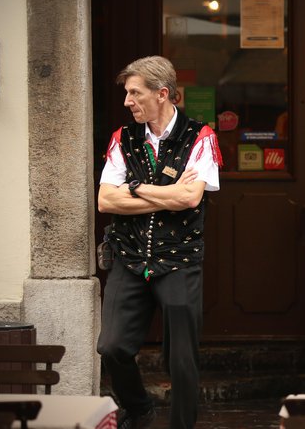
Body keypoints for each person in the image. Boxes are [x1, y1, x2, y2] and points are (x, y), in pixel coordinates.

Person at [97, 55, 222, 428]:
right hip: (130, 258)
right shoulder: (123, 138)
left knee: (182, 359)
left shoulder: (201, 136)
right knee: (112, 347)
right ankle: (138, 408)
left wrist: (135, 189)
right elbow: (106, 200)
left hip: (180, 260)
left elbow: (190, 199)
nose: (127, 101)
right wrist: (165, 192)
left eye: (135, 93)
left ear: (162, 94)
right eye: (127, 93)